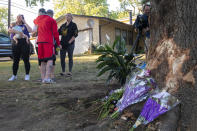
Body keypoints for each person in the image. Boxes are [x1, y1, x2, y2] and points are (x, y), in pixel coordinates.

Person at [33, 8, 61, 83]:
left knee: (42, 61)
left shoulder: (37, 19)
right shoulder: (52, 20)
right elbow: (55, 33)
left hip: (39, 42)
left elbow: (34, 23)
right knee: (50, 59)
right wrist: (58, 44)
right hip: (48, 42)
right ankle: (48, 78)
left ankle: (43, 79)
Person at [8, 14, 32, 81]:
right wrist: (18, 32)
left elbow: (31, 30)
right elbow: (10, 30)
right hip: (16, 42)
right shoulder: (13, 25)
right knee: (15, 60)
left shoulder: (25, 25)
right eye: (17, 17)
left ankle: (27, 75)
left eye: (20, 17)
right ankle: (14, 75)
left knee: (26, 59)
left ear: (22, 19)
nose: (18, 18)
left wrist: (25, 22)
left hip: (25, 42)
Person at [47, 9, 58, 81]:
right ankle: (49, 75)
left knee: (53, 59)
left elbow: (55, 32)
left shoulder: (53, 21)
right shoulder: (46, 21)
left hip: (53, 43)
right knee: (50, 59)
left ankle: (52, 75)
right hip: (49, 42)